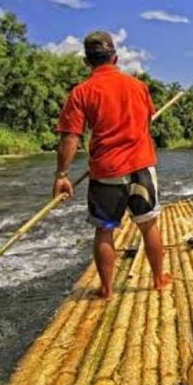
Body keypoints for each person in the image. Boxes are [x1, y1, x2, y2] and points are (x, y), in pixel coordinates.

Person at [52, 30, 172, 299]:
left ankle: (106, 290)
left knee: (104, 230)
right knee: (149, 224)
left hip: (106, 173)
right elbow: (146, 120)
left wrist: (62, 174)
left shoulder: (81, 92)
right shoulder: (138, 87)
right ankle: (158, 279)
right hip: (142, 168)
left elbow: (71, 137)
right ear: (115, 58)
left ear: (87, 61)